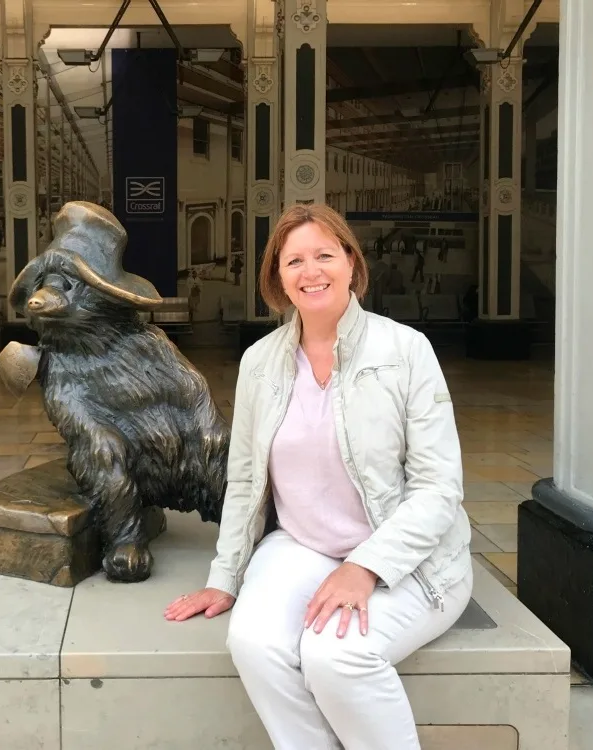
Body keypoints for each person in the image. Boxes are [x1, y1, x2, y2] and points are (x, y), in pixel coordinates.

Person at [164, 203, 472, 750]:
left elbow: (438, 488)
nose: (312, 272)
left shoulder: (405, 351)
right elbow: (244, 483)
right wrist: (225, 575)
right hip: (303, 545)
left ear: (351, 263)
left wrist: (366, 567)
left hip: (407, 556)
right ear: (278, 279)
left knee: (336, 655)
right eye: (294, 261)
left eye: (325, 255)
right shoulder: (260, 362)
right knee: (255, 643)